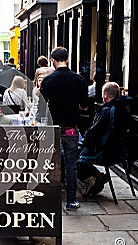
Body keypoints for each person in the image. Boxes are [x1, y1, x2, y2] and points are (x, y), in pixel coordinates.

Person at [40, 47, 88, 211]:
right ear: (67, 59)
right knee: (70, 165)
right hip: (71, 129)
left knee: (50, 163)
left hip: (53, 129)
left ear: (52, 60)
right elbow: (84, 105)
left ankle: (48, 199)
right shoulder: (79, 80)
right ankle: (71, 200)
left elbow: (40, 107)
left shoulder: (48, 80)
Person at [78, 82, 132, 195]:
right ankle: (98, 175)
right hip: (118, 151)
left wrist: (82, 143)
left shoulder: (107, 110)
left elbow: (94, 132)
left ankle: (92, 178)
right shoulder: (123, 108)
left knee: (70, 156)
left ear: (106, 95)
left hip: (104, 151)